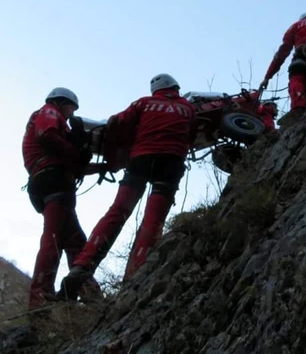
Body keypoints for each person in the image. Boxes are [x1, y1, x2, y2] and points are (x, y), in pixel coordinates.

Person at [59, 74, 197, 300]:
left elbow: (116, 122)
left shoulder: (143, 103)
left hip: (140, 159)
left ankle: (83, 265)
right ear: (175, 87)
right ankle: (136, 274)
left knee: (118, 211)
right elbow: (192, 136)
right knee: (153, 219)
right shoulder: (188, 108)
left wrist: (117, 155)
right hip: (171, 162)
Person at [22, 87, 101, 310]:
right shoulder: (49, 112)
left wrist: (96, 166)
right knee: (54, 237)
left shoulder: (51, 121)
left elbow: (65, 156)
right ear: (61, 102)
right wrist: (78, 153)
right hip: (54, 180)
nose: (71, 114)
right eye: (71, 108)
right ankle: (40, 299)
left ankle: (90, 295)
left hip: (48, 180)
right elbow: (48, 137)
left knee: (75, 241)